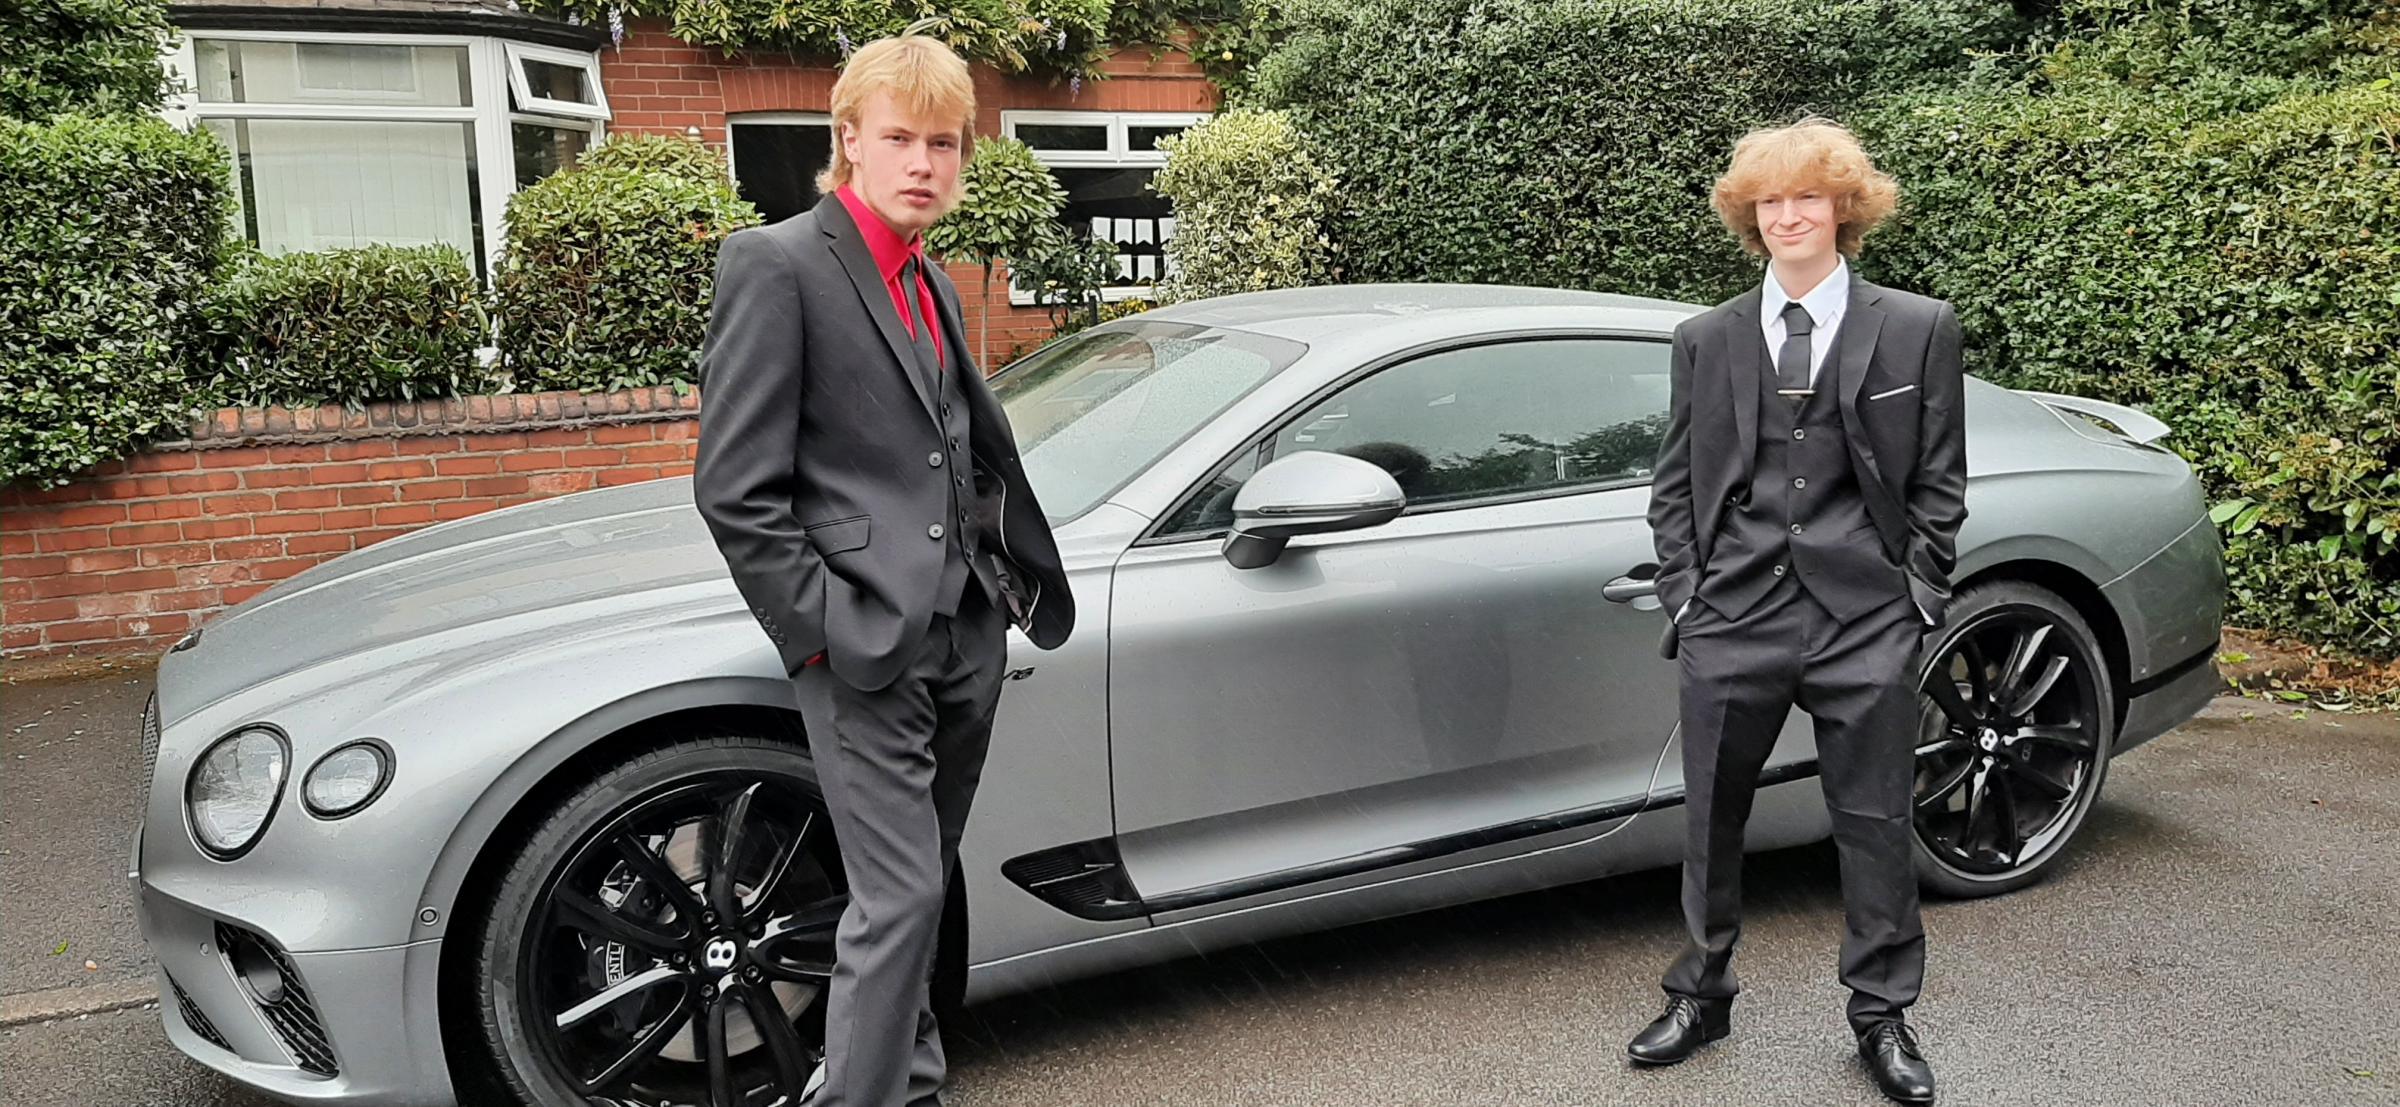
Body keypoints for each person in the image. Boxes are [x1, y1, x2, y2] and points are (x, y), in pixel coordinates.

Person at [693, 35, 1075, 1107]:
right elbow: (736, 489)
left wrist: (992, 595)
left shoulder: (934, 279)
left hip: (962, 635)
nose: (923, 161)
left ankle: (906, 1084)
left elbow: (950, 449)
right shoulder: (776, 265)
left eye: (943, 143)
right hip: (863, 647)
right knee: (902, 896)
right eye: (899, 138)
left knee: (911, 888)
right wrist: (820, 633)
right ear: (847, 141)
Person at [1633, 116, 1966, 1104]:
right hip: (1733, 616)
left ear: (1843, 209)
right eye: (1770, 201)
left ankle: (1881, 1015)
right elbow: (1674, 484)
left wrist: (1919, 594)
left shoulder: (1917, 327)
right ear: (1751, 215)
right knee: (1711, 822)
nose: (1789, 215)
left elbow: (1940, 479)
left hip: (1865, 618)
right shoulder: (1707, 338)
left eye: (1807, 197)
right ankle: (1703, 991)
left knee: (1873, 823)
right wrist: (1686, 593)